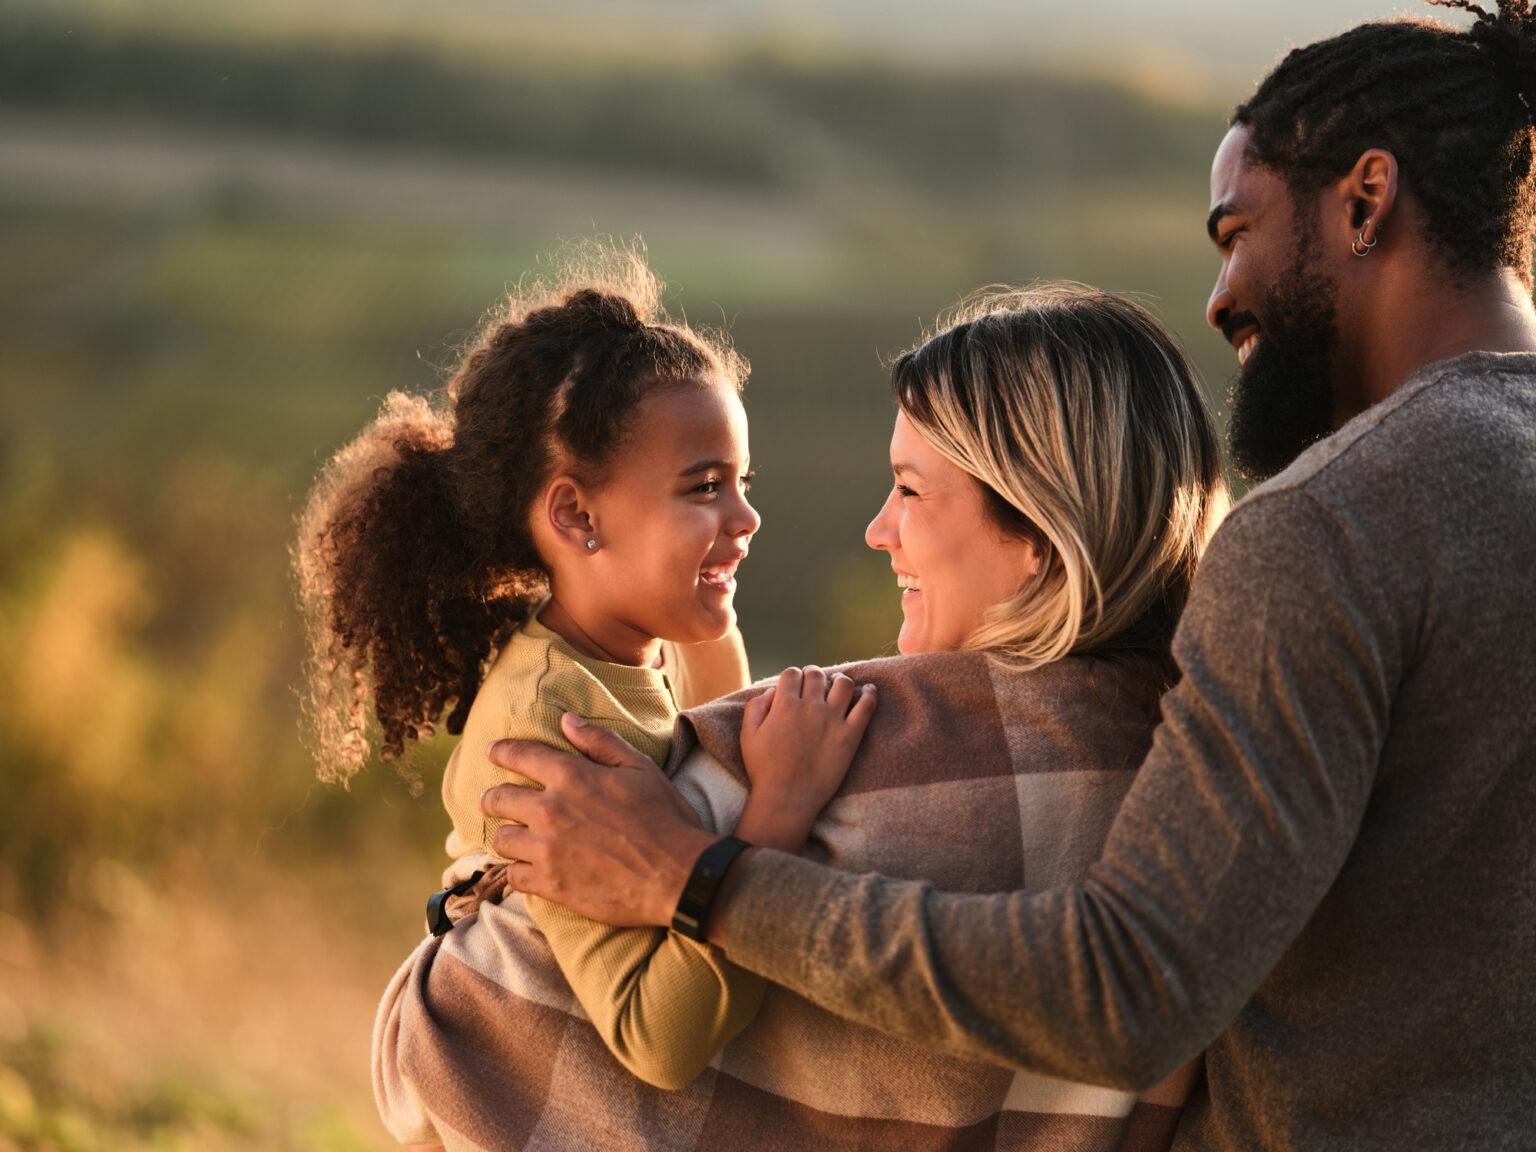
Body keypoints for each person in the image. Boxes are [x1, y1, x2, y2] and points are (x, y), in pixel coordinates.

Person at [481, 4, 1536, 1150]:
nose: (1222, 295)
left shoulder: (1328, 531)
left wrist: (703, 879)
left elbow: (1130, 988)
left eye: (1240, 230)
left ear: (1366, 200)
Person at [373, 285, 1227, 1150]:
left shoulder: (865, 752)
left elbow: (502, 1002)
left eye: (909, 491)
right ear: (574, 514)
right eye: (705, 487)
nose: (876, 530)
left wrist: (728, 839)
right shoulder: (1214, 773)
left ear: (1039, 535)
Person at [293, 242, 880, 1131]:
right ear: (575, 513)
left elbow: (711, 769)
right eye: (703, 487)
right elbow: (659, 1038)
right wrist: (782, 814)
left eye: (743, 483)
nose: (747, 518)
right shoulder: (548, 731)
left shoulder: (676, 642)